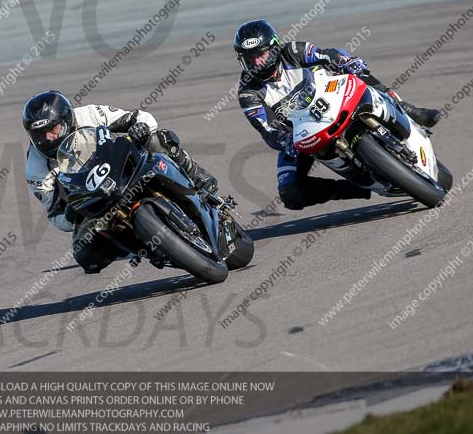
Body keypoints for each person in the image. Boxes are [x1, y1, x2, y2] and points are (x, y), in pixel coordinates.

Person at [233, 19, 441, 210]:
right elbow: (266, 129)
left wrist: (347, 61)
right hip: (300, 136)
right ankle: (360, 187)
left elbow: (327, 54)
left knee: (358, 73)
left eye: (262, 54)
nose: (258, 63)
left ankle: (408, 109)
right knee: (289, 193)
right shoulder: (248, 92)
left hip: (332, 98)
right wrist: (285, 141)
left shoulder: (292, 51)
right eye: (250, 59)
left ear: (275, 47)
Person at [23, 90, 217, 273]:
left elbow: (141, 117)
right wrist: (70, 213)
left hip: (124, 165)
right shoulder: (35, 169)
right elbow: (55, 215)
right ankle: (140, 243)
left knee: (158, 140)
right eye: (40, 134)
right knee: (87, 255)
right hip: (95, 199)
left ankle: (197, 175)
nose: (48, 138)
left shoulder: (88, 114)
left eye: (53, 129)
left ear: (66, 120)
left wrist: (140, 128)